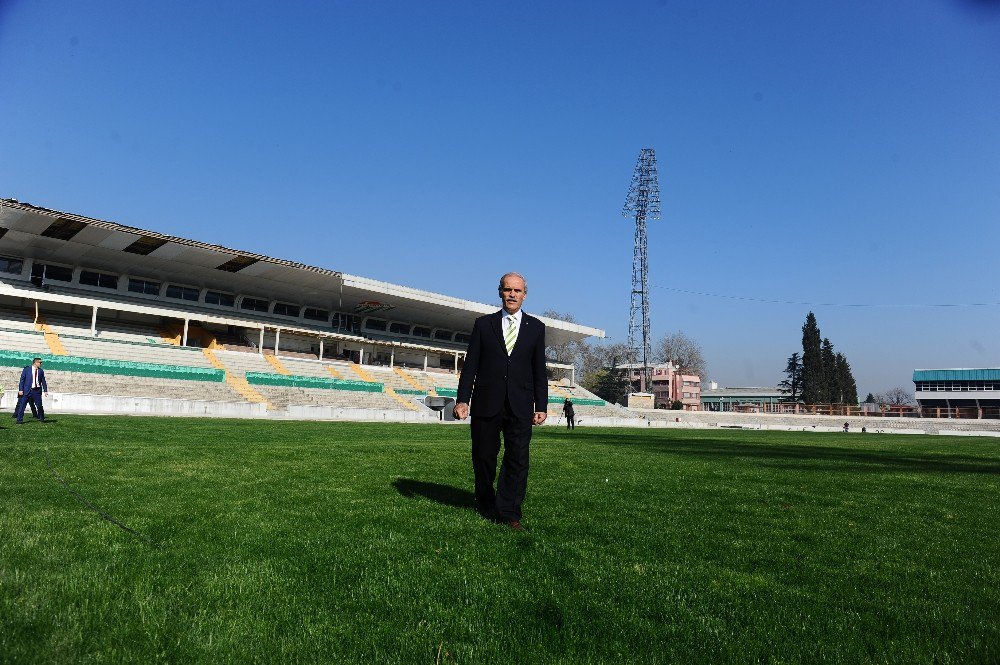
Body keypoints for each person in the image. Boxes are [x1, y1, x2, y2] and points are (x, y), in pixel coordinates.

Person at [454, 273, 547, 531]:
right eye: (507, 290)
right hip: (487, 401)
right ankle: (484, 501)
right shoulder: (484, 325)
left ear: (525, 294)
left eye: (517, 290)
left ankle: (509, 511)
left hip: (520, 403)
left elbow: (539, 368)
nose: (512, 294)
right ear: (500, 292)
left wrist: (541, 405)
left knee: (518, 458)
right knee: (484, 455)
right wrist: (463, 400)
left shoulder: (536, 328)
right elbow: (470, 366)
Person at [15, 357, 48, 424]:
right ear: (35, 363)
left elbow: (43, 381)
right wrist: (20, 390)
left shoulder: (41, 371)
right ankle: (19, 420)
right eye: (40, 362)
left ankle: (42, 419)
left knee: (39, 406)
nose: (41, 363)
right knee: (22, 405)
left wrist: (45, 390)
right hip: (27, 390)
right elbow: (22, 380)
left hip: (37, 391)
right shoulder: (27, 369)